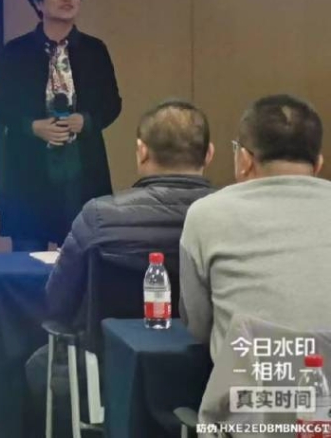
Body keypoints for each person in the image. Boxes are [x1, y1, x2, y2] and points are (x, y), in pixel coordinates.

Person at [24, 100, 215, 437]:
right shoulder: (234, 217)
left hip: (108, 369)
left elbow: (57, 302)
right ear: (209, 154)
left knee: (41, 364)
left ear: (141, 152)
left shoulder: (99, 216)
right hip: (212, 368)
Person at [180, 94, 331, 360]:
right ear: (318, 164)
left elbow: (197, 325)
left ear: (245, 160)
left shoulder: (207, 214)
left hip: (249, 385)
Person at [0, 0, 122, 251]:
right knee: (28, 260)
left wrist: (86, 121)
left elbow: (112, 103)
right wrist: (32, 127)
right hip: (29, 172)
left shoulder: (95, 50)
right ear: (38, 1)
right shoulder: (17, 51)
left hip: (81, 171)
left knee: (82, 260)